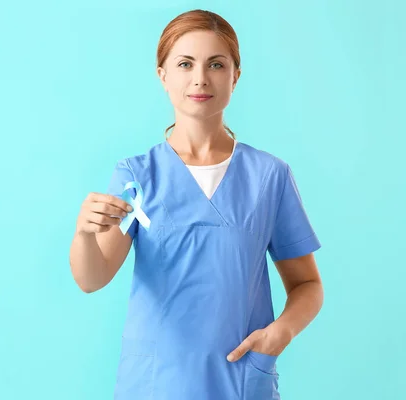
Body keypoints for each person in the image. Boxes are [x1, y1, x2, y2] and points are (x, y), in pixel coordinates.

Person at [69, 9, 323, 400]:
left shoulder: (270, 176)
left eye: (216, 64)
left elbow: (307, 284)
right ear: (163, 75)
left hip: (240, 380)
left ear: (235, 75)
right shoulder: (137, 176)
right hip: (155, 383)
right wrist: (84, 233)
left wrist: (281, 332)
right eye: (185, 63)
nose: (200, 78)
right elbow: (93, 278)